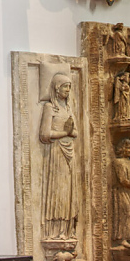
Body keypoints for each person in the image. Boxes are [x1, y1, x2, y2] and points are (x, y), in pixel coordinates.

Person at [40, 73, 78, 241]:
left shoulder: (68, 108)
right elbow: (45, 133)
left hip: (69, 153)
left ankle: (67, 230)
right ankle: (54, 231)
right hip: (56, 152)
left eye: (69, 87)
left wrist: (70, 132)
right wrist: (65, 133)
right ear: (56, 88)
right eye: (65, 86)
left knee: (68, 192)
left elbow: (75, 132)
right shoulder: (50, 107)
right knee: (58, 191)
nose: (68, 90)